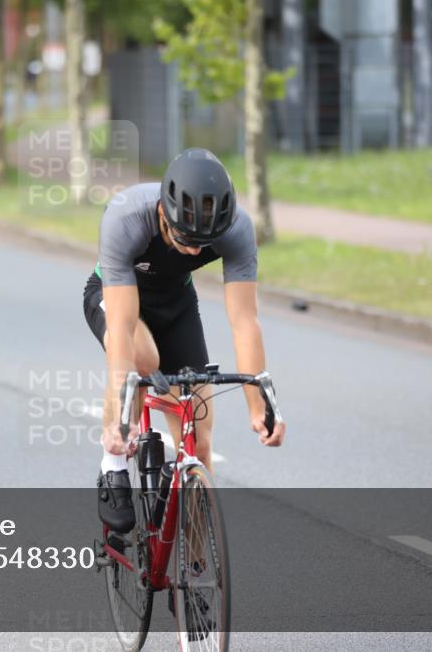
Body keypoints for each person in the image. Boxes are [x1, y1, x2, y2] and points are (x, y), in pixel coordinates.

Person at [84, 148, 286, 533]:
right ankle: (111, 467)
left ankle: (197, 575)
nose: (195, 250)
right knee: (143, 359)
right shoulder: (126, 217)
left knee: (200, 439)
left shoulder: (237, 228)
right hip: (117, 297)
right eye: (185, 239)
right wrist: (121, 422)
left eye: (203, 243)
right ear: (164, 212)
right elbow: (124, 330)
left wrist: (259, 407)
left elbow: (244, 322)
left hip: (176, 304)